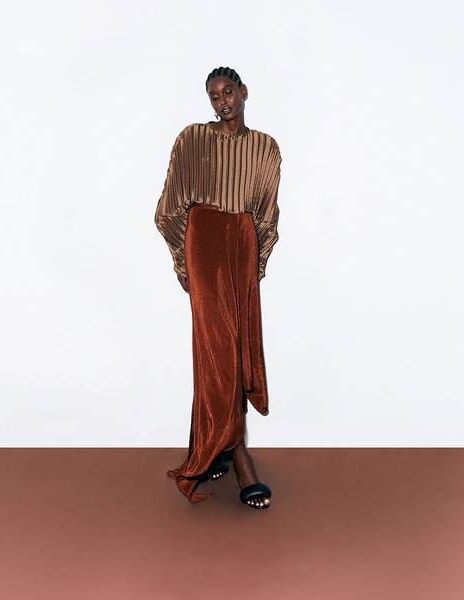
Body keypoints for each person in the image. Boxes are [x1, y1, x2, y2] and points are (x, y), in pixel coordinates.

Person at [155, 66, 281, 509]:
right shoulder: (192, 138)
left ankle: (214, 446)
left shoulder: (265, 147)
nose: (222, 101)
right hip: (204, 244)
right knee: (217, 349)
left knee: (239, 347)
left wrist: (255, 265)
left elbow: (266, 213)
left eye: (228, 91)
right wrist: (182, 259)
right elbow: (171, 205)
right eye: (214, 95)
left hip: (242, 247)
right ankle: (240, 457)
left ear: (244, 92)